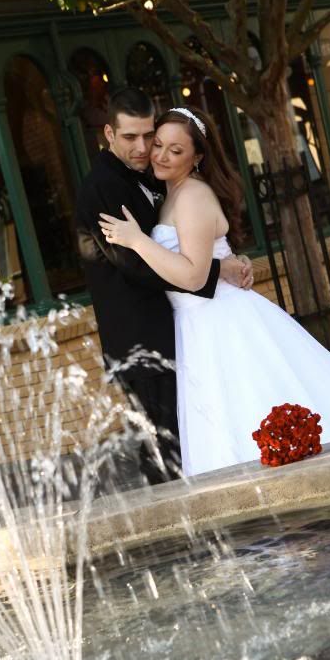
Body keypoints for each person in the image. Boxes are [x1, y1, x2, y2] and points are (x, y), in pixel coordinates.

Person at [98, 106, 330, 478]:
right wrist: (229, 261)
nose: (161, 156)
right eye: (159, 145)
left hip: (219, 321)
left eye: (176, 150)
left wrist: (136, 241)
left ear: (198, 157)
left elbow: (192, 277)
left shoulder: (191, 197)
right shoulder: (171, 193)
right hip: (196, 326)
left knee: (250, 405)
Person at [75, 88, 252, 484]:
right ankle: (179, 532)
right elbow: (135, 265)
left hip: (178, 329)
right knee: (164, 449)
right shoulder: (102, 186)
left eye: (147, 137)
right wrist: (216, 270)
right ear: (108, 133)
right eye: (130, 138)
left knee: (191, 438)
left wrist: (220, 259)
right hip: (140, 338)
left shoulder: (155, 179)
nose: (143, 149)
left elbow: (190, 233)